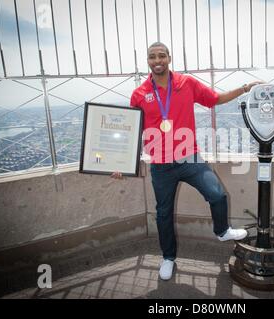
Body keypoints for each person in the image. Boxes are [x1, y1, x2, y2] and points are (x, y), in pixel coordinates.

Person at [112, 42, 262, 280]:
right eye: (152, 57)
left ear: (169, 58)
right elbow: (132, 129)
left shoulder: (186, 83)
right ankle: (168, 258)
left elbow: (214, 99)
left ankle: (222, 231)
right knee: (163, 214)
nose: (157, 60)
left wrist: (244, 88)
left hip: (189, 157)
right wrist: (120, 162)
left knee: (217, 195)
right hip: (160, 165)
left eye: (162, 55)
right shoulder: (139, 94)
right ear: (147, 61)